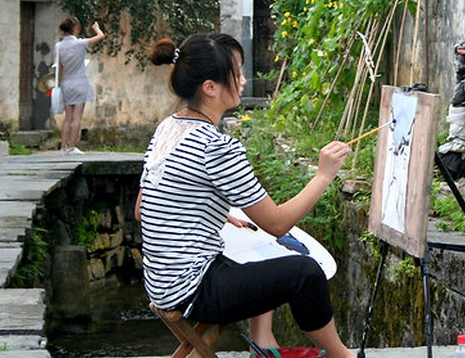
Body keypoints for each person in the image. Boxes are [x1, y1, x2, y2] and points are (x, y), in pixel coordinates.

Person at [135, 33, 355, 358]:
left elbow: (143, 207)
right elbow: (278, 224)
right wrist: (324, 174)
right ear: (210, 87)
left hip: (160, 283)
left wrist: (215, 211)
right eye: (236, 73)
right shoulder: (217, 147)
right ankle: (344, 356)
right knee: (305, 273)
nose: (242, 80)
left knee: (258, 252)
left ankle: (263, 342)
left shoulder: (168, 128)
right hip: (193, 289)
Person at [56, 17, 105, 154]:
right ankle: (72, 147)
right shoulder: (80, 44)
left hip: (66, 82)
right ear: (75, 28)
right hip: (80, 82)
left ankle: (62, 147)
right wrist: (96, 28)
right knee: (77, 117)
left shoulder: (59, 46)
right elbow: (101, 36)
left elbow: (60, 66)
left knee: (68, 117)